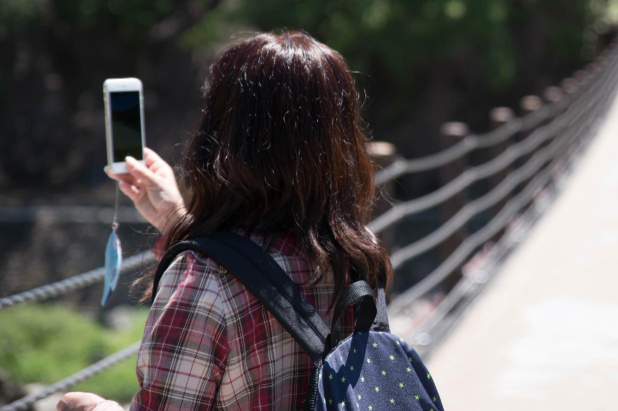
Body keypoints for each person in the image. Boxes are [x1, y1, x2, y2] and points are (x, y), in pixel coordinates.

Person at [58, 31, 392, 411]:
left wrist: (95, 408)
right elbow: (268, 274)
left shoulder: (203, 279)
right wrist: (174, 220)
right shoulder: (358, 252)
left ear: (221, 137)